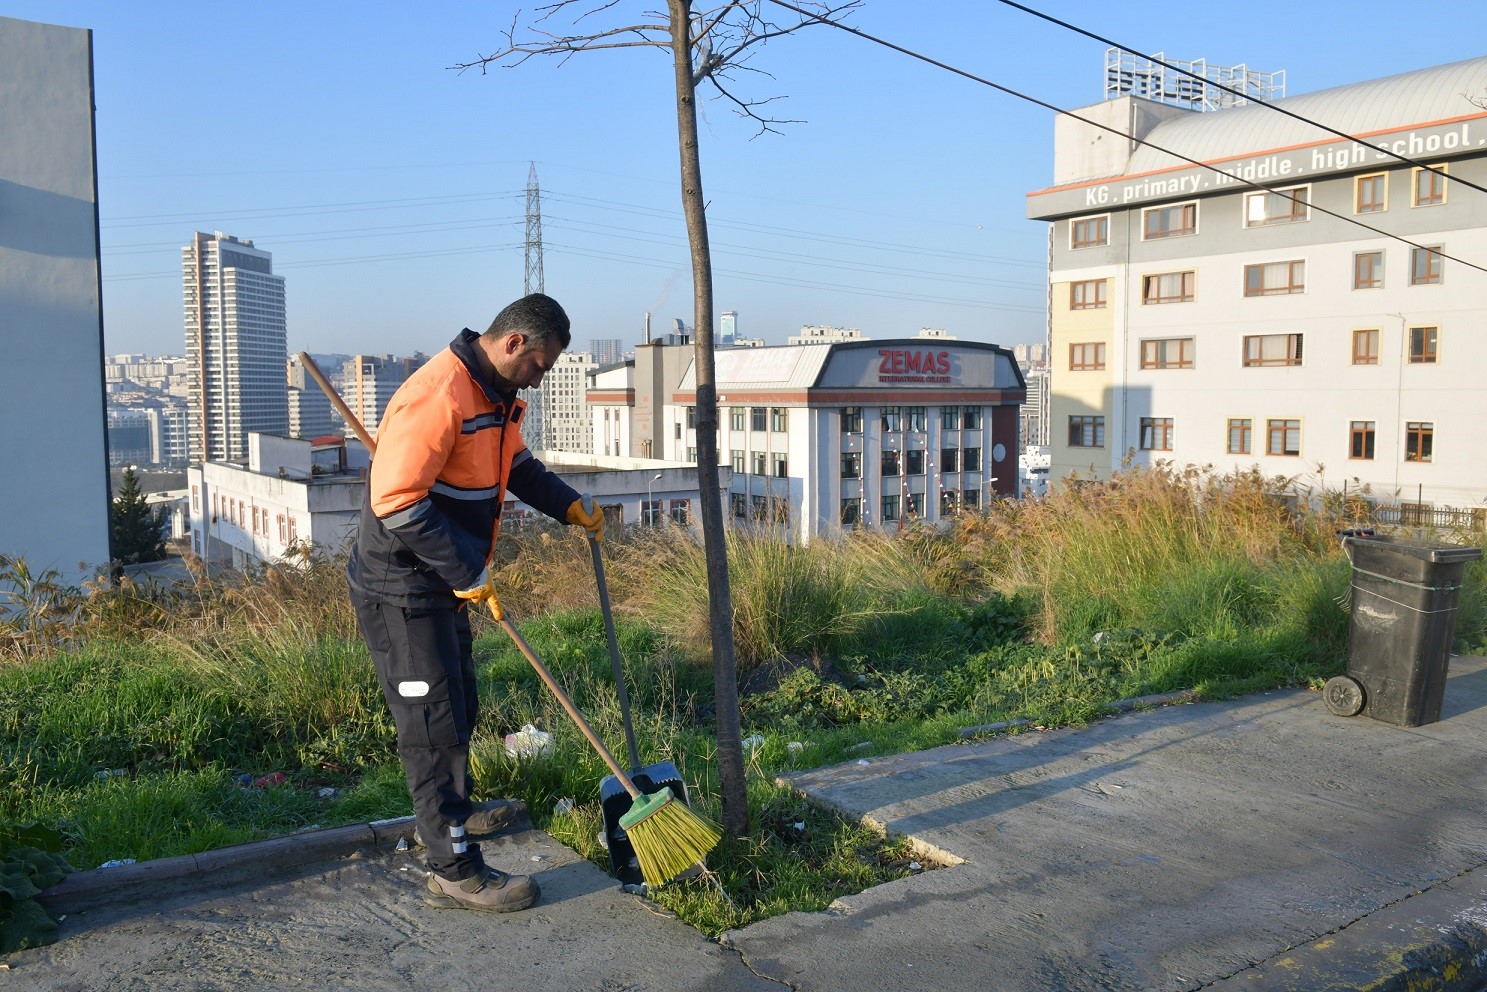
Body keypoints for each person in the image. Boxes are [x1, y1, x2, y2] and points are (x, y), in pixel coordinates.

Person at [346, 293, 605, 913]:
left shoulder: (494, 396)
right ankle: (451, 866)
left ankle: (450, 815)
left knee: (460, 704)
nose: (540, 381)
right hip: (402, 587)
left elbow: (515, 466)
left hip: (441, 581)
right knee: (432, 727)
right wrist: (467, 569)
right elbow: (398, 502)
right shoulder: (440, 394)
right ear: (513, 344)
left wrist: (569, 503)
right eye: (539, 367)